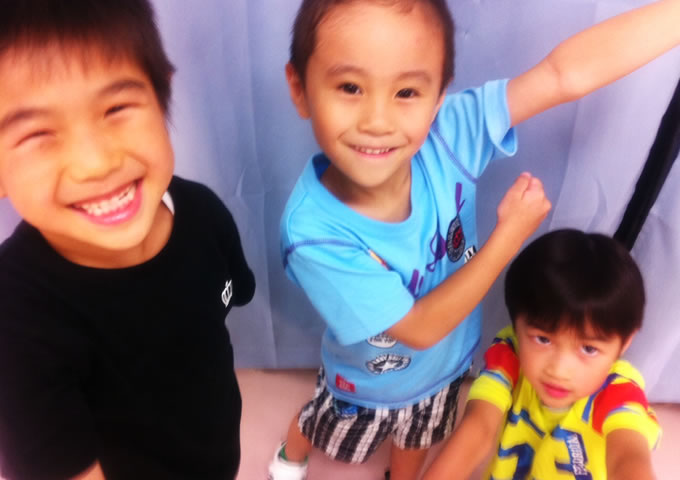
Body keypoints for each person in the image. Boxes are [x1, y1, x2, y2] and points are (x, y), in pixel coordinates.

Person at [266, 0, 679, 479]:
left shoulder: (448, 135)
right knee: (322, 427)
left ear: (439, 98)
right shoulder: (314, 234)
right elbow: (419, 328)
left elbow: (561, 74)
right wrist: (509, 236)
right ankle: (291, 453)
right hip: (364, 385)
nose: (377, 120)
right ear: (300, 88)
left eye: (406, 92)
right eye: (350, 87)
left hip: (446, 369)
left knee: (417, 439)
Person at [0, 1, 255, 479]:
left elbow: (222, 315)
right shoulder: (14, 320)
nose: (95, 163)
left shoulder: (204, 213)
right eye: (37, 135)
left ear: (162, 98)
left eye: (116, 108)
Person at [423, 229, 660, 480]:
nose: (559, 370)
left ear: (625, 342)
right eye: (543, 339)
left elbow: (628, 459)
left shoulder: (619, 391)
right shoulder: (510, 354)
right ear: (516, 325)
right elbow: (478, 428)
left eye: (588, 349)